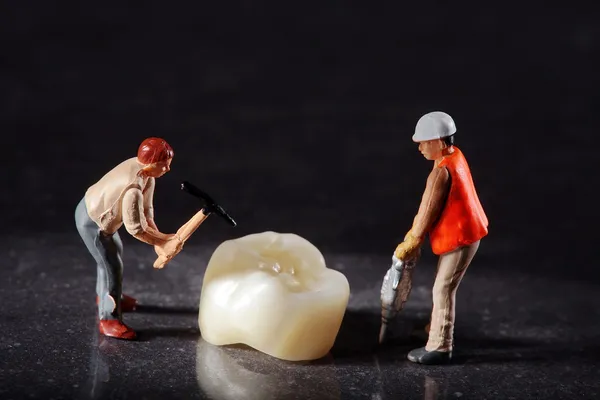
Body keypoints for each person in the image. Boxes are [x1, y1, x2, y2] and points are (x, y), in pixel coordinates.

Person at [394, 111, 488, 364]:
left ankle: (439, 345)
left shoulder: (440, 173)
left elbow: (426, 211)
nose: (420, 148)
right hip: (464, 232)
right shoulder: (453, 156)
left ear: (439, 141)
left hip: (462, 237)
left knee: (443, 288)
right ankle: (434, 329)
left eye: (424, 142)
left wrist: (412, 240)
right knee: (443, 285)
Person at [75, 137, 182, 340]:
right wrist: (162, 242)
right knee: (111, 266)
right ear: (151, 164)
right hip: (92, 222)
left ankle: (108, 297)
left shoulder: (146, 174)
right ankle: (109, 319)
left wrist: (159, 237)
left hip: (96, 212)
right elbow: (135, 229)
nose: (167, 169)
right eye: (164, 165)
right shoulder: (132, 190)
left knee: (112, 257)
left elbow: (146, 213)